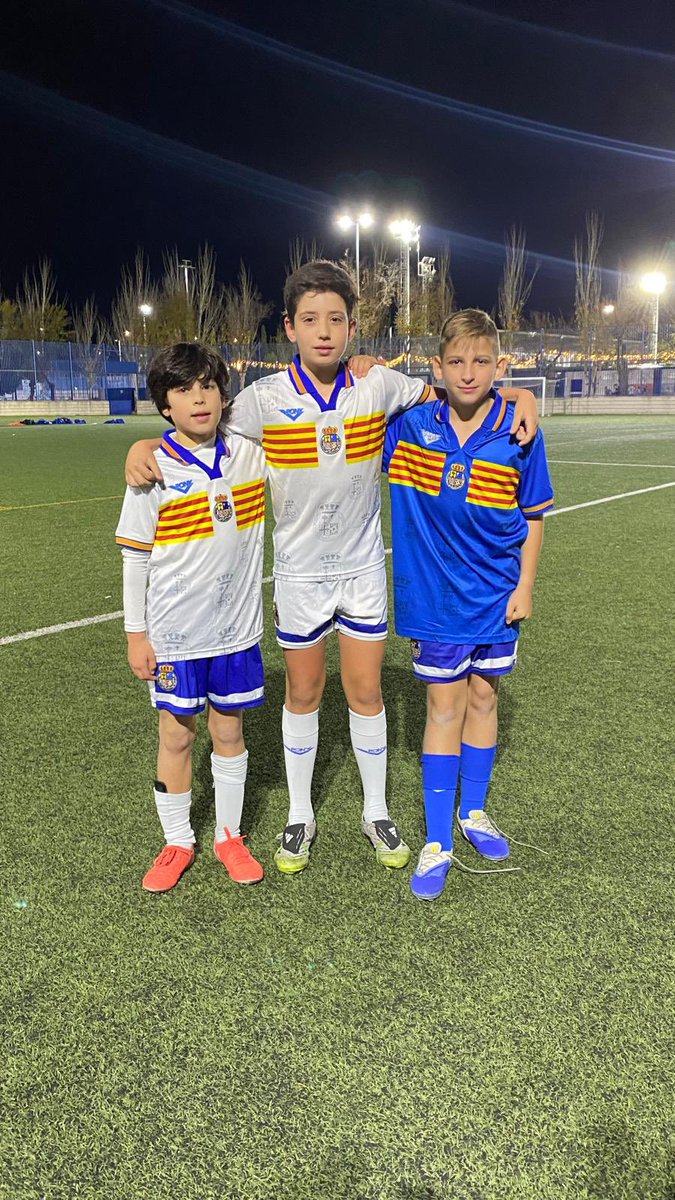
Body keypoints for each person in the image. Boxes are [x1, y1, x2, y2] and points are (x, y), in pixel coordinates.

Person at [125, 262, 540, 876]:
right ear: (289, 327)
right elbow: (193, 424)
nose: (324, 331)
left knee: (366, 692)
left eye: (337, 319)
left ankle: (376, 810)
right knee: (303, 694)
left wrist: (520, 395)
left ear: (352, 326)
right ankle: (300, 815)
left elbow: (459, 391)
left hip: (363, 570)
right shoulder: (261, 400)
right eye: (311, 319)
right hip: (298, 575)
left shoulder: (379, 385)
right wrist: (141, 446)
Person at [382, 309, 554, 901]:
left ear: (500, 366)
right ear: (437, 367)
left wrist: (525, 586)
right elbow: (355, 403)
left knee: (484, 697)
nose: (468, 372)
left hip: (497, 594)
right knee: (443, 708)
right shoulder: (409, 427)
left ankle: (473, 812)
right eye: (456, 361)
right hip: (435, 599)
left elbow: (533, 516)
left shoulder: (519, 430)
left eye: (482, 361)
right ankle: (437, 840)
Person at [116, 342, 266, 892]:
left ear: (223, 394)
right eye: (183, 390)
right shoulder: (152, 469)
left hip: (236, 631)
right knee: (176, 737)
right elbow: (135, 557)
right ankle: (178, 841)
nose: (199, 398)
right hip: (175, 635)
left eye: (207, 385)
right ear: (165, 406)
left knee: (229, 730)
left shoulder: (251, 453)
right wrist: (137, 635)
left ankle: (229, 836)